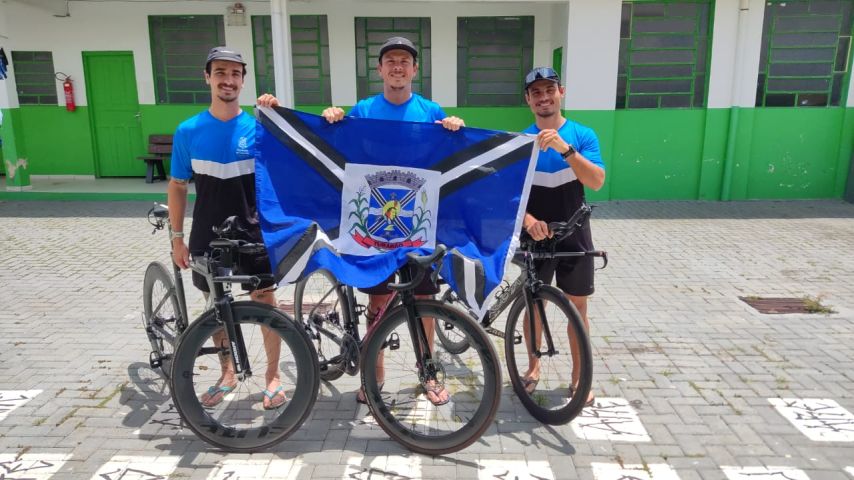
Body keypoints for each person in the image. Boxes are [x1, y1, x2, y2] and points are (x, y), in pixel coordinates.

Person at [321, 36, 464, 406]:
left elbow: (451, 157)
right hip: (374, 222)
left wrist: (454, 128)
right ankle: (374, 377)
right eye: (390, 61)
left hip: (418, 222)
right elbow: (340, 148)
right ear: (380, 69)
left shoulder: (431, 112)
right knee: (378, 303)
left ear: (415, 69)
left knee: (425, 300)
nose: (397, 67)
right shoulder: (365, 110)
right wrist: (333, 120)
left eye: (405, 61)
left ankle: (429, 373)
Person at [167, 46, 286, 410]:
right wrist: (176, 238)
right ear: (208, 77)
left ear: (243, 80)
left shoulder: (260, 126)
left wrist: (278, 117)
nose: (228, 80)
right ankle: (228, 373)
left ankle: (272, 376)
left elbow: (290, 162)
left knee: (265, 301)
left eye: (235, 74)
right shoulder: (188, 131)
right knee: (217, 306)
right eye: (220, 72)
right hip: (207, 233)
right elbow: (177, 185)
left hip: (255, 232)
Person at [520, 66, 605, 406]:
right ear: (528, 100)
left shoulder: (583, 135)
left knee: (577, 306)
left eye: (549, 90)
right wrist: (528, 222)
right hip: (536, 235)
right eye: (536, 92)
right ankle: (533, 366)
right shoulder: (523, 142)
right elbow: (512, 196)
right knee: (534, 302)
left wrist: (565, 150)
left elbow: (596, 181)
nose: (544, 97)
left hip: (574, 231)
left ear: (561, 93)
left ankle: (578, 377)